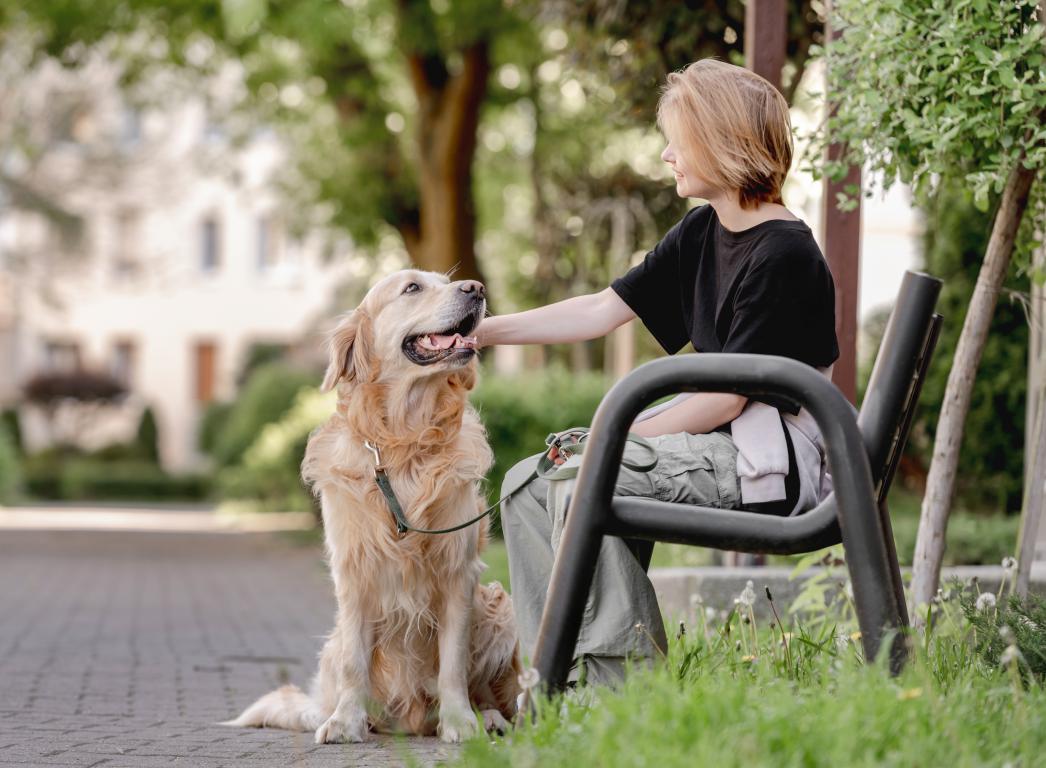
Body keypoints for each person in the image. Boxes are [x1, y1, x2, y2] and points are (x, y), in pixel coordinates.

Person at [473, 59, 839, 684]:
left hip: (768, 462)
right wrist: (480, 331)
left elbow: (724, 402)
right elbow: (599, 309)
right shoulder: (704, 229)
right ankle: (555, 682)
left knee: (585, 475)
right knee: (528, 485)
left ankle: (622, 695)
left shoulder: (785, 254)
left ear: (720, 142)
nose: (668, 154)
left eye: (678, 138)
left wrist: (619, 436)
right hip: (718, 442)